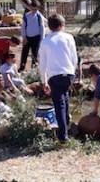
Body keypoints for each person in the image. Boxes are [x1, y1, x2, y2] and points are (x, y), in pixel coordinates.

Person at [38, 14, 78, 142]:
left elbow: (42, 64)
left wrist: (44, 81)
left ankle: (63, 136)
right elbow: (74, 57)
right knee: (65, 99)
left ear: (50, 27)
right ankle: (66, 127)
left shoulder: (46, 41)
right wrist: (73, 72)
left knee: (59, 104)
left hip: (54, 76)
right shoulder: (69, 37)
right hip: (68, 73)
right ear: (62, 25)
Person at [19, 0, 45, 72]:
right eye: (33, 9)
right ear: (30, 7)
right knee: (24, 53)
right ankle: (22, 68)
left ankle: (34, 69)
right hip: (27, 38)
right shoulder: (26, 16)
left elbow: (42, 28)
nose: (34, 11)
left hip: (36, 38)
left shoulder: (39, 16)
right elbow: (23, 27)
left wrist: (42, 39)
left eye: (36, 9)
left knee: (35, 54)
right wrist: (24, 37)